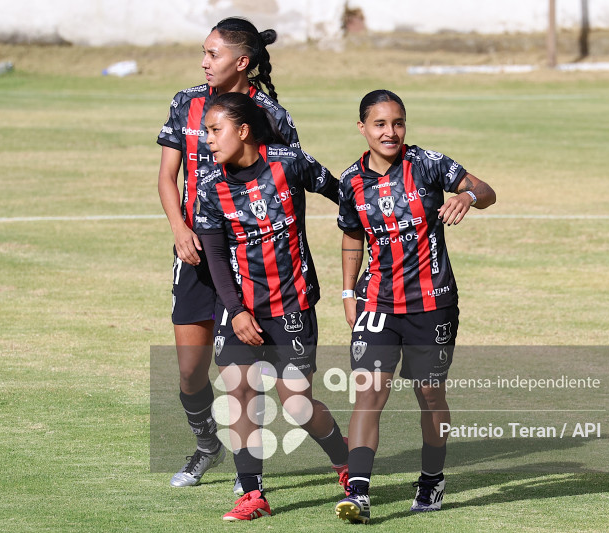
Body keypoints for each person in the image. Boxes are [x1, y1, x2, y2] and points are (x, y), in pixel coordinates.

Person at [334, 89, 496, 524]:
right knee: (370, 392)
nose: (390, 132)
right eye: (380, 124)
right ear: (362, 127)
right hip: (377, 302)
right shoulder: (350, 182)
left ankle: (432, 479)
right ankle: (359, 492)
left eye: (398, 123)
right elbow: (353, 237)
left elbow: (487, 190)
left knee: (429, 394)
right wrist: (348, 293)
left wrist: (468, 197)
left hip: (433, 304)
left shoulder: (428, 164)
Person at [156, 17, 300, 489]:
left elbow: (289, 182)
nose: (204, 61)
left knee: (239, 374)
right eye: (203, 52)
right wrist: (180, 228)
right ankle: (206, 445)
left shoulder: (269, 115)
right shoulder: (186, 102)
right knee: (190, 371)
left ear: (242, 61)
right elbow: (166, 177)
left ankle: (248, 471)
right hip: (195, 254)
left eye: (212, 54)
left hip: (247, 262)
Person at [194, 92, 350, 521]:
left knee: (297, 405)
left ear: (243, 131)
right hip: (239, 308)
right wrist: (237, 311)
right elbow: (215, 257)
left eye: (215, 130)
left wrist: (377, 233)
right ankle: (252, 494)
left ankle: (345, 463)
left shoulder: (288, 161)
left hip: (292, 307)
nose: (207, 139)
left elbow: (344, 196)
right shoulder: (210, 187)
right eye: (206, 131)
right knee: (241, 395)